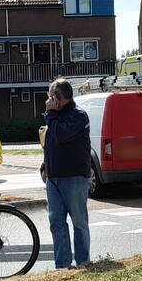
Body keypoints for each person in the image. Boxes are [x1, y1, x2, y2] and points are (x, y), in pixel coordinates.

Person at [43, 78, 92, 269]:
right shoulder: (54, 116)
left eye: (50, 96)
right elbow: (51, 142)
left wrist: (50, 114)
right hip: (54, 177)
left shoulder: (78, 116)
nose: (47, 100)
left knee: (78, 221)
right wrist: (44, 166)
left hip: (74, 177)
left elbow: (62, 136)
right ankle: (63, 265)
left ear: (58, 97)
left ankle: (82, 261)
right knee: (56, 222)